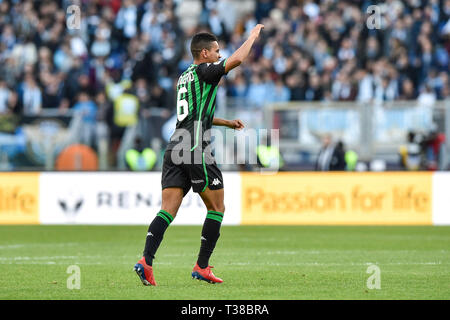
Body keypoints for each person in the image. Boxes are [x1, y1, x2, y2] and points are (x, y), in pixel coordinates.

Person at [134, 24, 265, 286]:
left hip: (175, 146)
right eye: (216, 51)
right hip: (195, 147)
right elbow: (237, 60)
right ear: (204, 53)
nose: (219, 54)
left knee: (167, 210)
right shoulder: (206, 71)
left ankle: (146, 261)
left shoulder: (185, 77)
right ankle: (202, 266)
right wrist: (251, 37)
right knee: (217, 207)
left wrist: (226, 123)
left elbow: (194, 114)